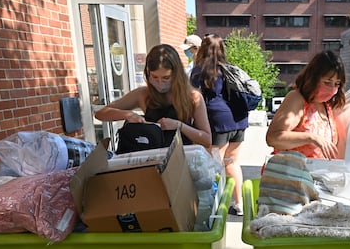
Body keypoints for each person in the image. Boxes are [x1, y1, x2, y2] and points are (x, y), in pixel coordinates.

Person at [95, 44, 212, 151]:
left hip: (181, 160)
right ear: (148, 73)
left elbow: (207, 140)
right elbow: (101, 113)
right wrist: (127, 115)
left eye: (166, 78)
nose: (160, 82)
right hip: (150, 160)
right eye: (155, 77)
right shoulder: (143, 94)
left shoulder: (193, 97)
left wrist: (179, 126)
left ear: (176, 75)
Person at [190, 34, 248, 216]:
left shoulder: (199, 71)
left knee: (212, 166)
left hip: (216, 122)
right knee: (231, 162)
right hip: (239, 120)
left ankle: (214, 209)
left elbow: (194, 98)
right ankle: (239, 205)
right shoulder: (230, 68)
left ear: (202, 49)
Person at [266, 50, 347, 160]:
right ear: (313, 78)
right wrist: (311, 138)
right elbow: (273, 138)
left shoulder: (327, 106)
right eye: (327, 82)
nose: (332, 89)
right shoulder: (296, 99)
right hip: (290, 174)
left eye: (337, 84)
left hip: (317, 174)